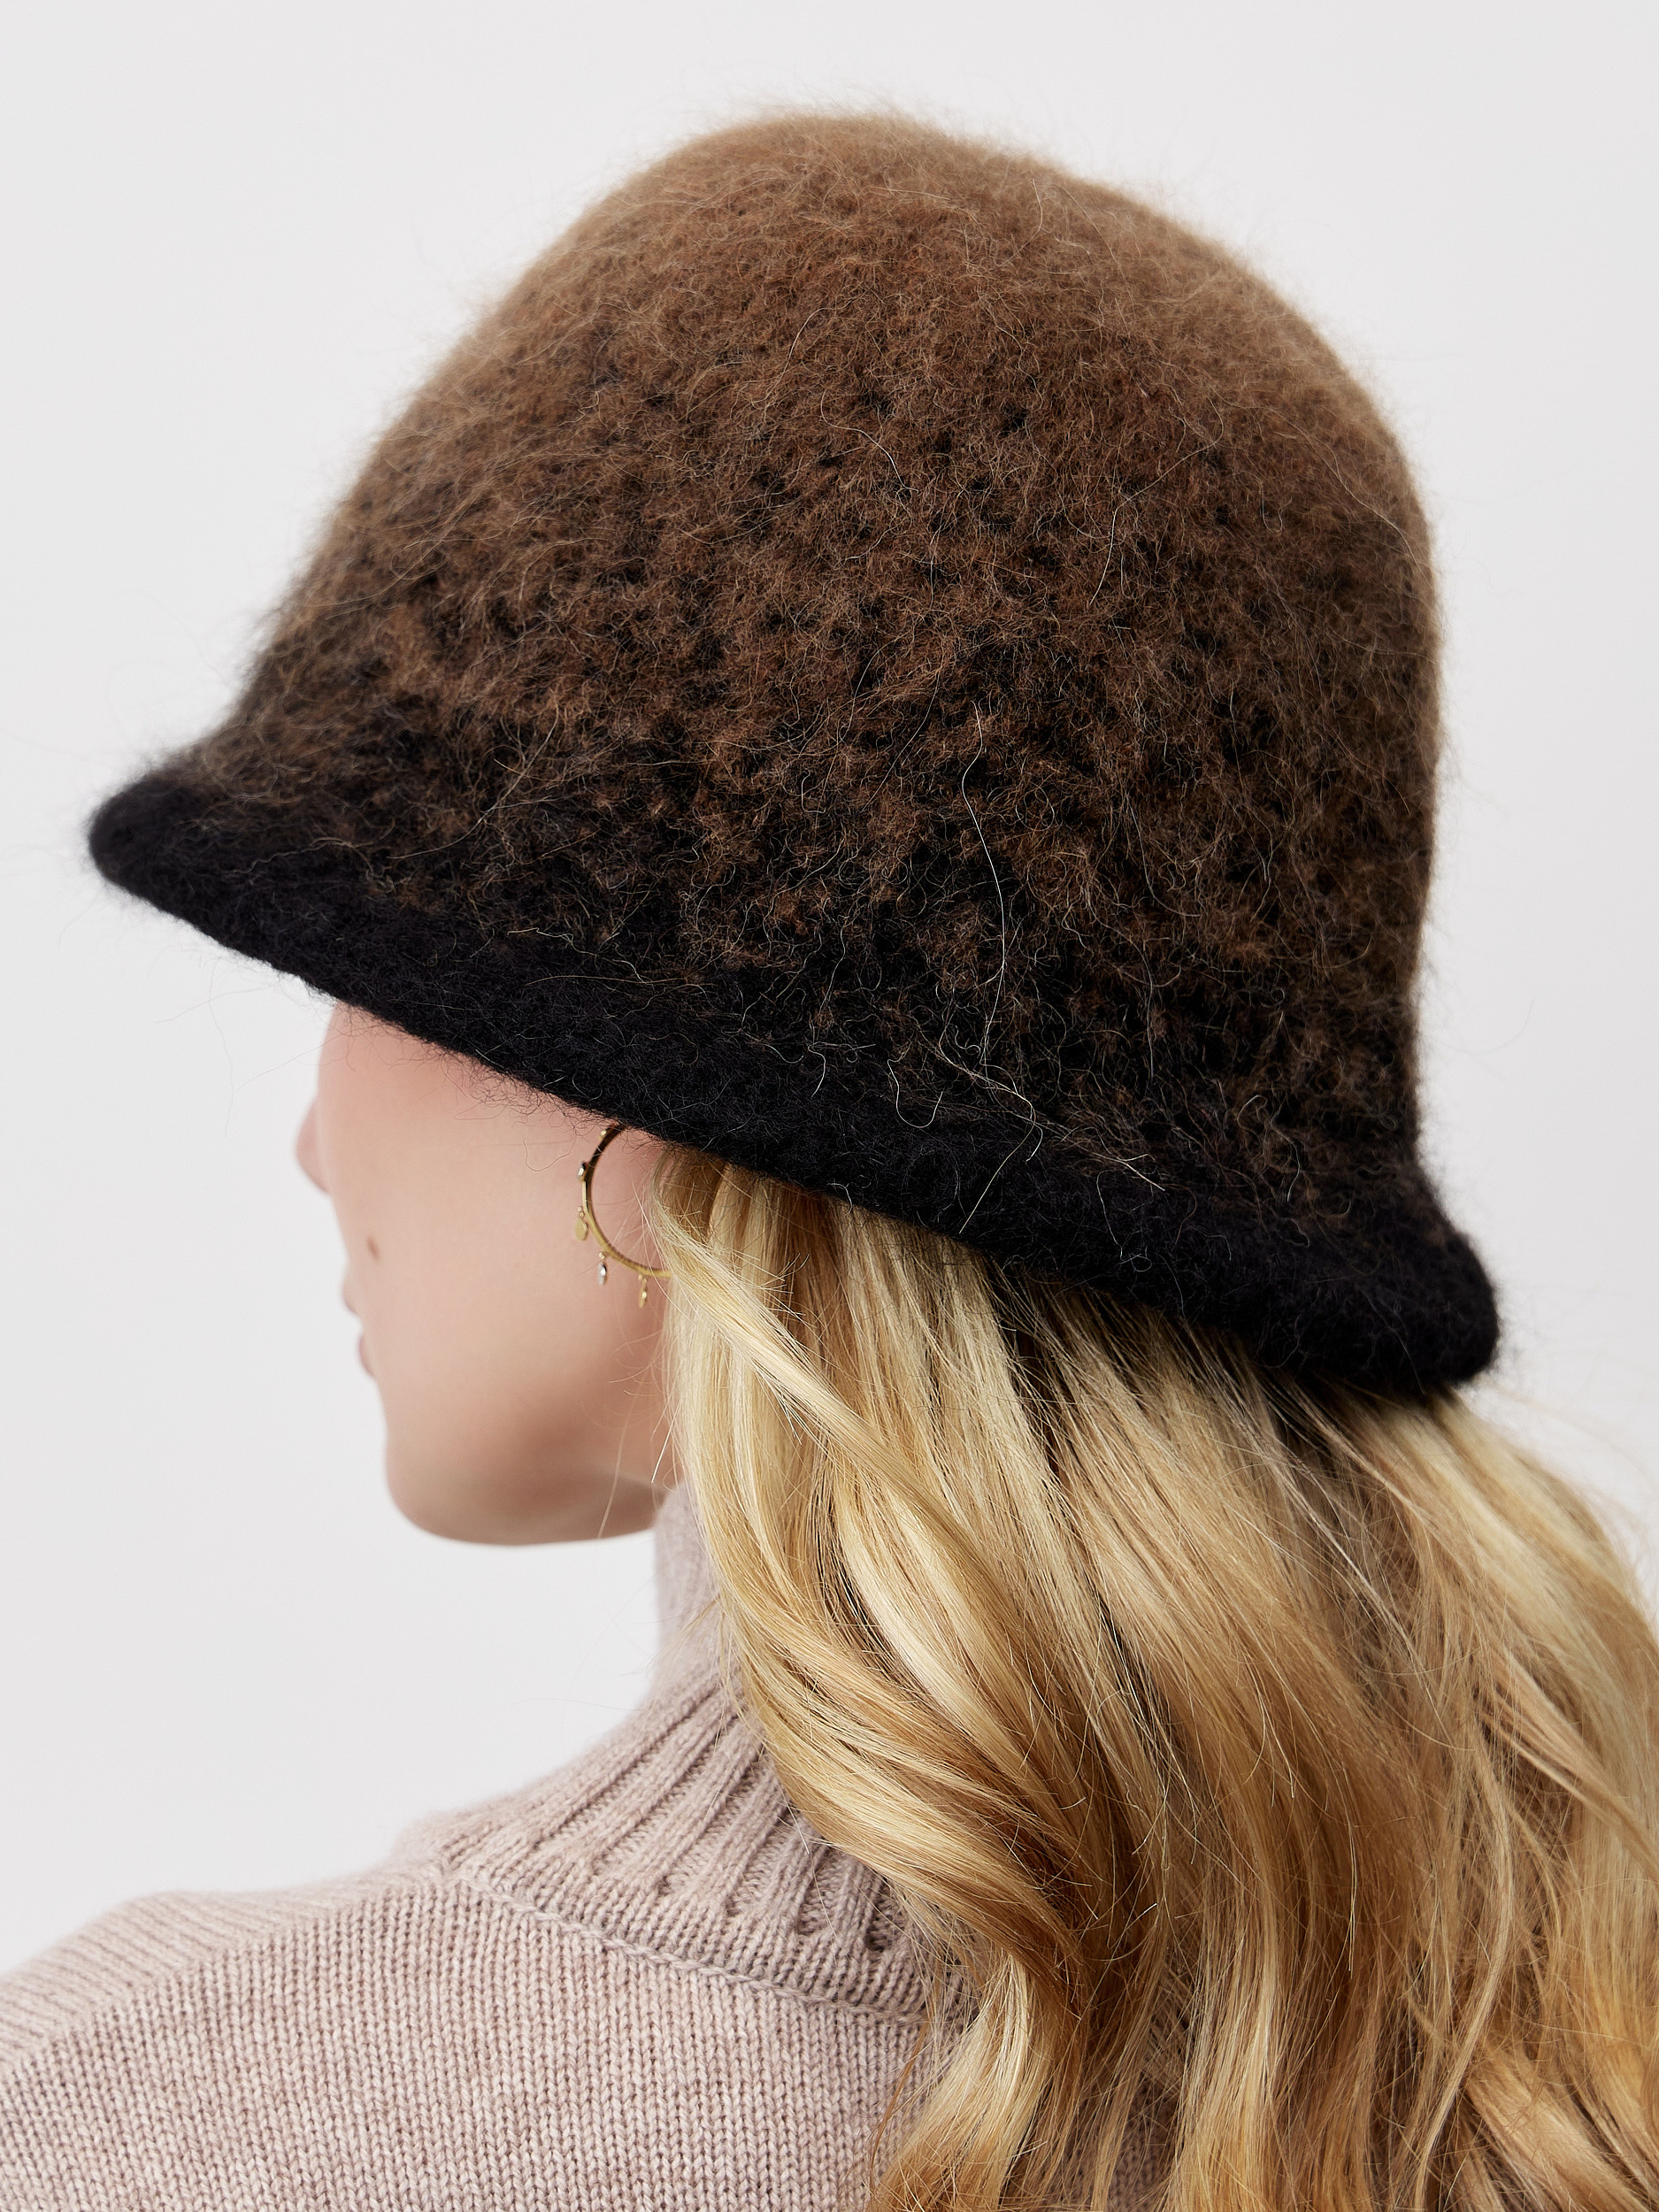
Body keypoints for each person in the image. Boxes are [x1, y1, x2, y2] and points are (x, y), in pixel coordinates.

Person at [2, 111, 1655, 2212]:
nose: (317, 1134)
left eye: (358, 963)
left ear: (659, 1067)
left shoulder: (165, 2114)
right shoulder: (1556, 2052)